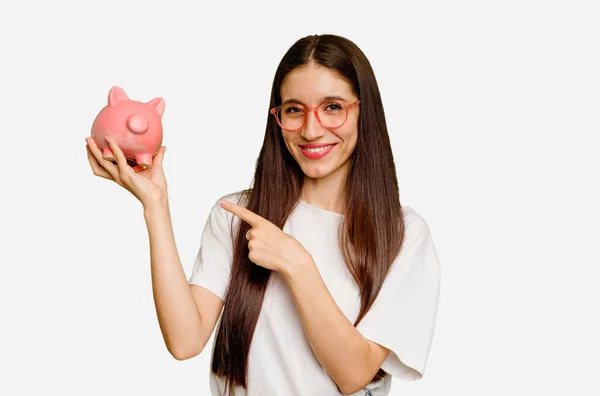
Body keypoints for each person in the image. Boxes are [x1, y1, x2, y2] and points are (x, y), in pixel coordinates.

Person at [85, 33, 441, 396]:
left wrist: (297, 264)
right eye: (294, 109)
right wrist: (155, 204)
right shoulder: (238, 215)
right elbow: (184, 340)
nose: (311, 129)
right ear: (278, 116)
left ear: (364, 111)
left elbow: (354, 374)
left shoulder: (403, 233)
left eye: (333, 106)